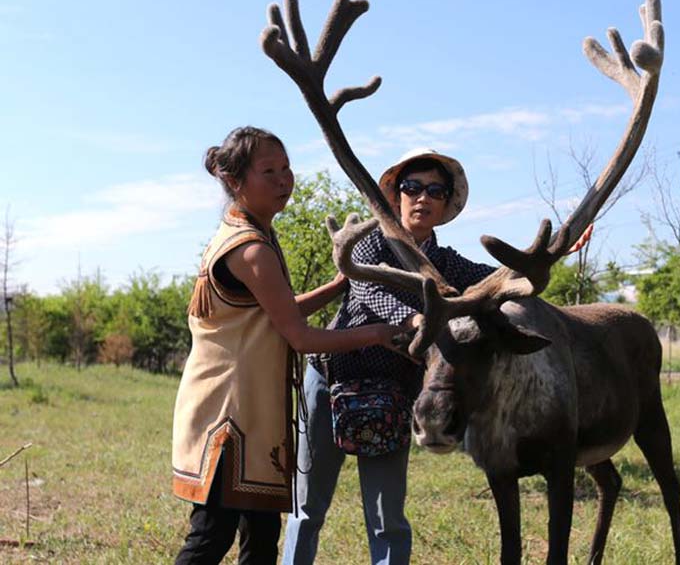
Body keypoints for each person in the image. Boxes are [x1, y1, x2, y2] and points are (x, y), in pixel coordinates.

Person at [171, 126, 402, 565]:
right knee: (211, 537)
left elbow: (276, 310)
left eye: (286, 168)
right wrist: (376, 333)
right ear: (236, 182)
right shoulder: (251, 249)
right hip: (231, 421)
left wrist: (338, 285)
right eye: (269, 171)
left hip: (247, 419)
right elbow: (299, 335)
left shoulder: (247, 233)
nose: (284, 180)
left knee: (260, 537)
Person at [281, 148, 496, 565]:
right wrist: (413, 320)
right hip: (330, 381)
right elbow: (366, 290)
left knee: (387, 518)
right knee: (307, 508)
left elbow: (496, 280)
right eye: (411, 187)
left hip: (393, 395)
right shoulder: (369, 242)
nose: (422, 197)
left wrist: (554, 255)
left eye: (435, 190)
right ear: (396, 196)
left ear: (446, 203)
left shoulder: (447, 263)